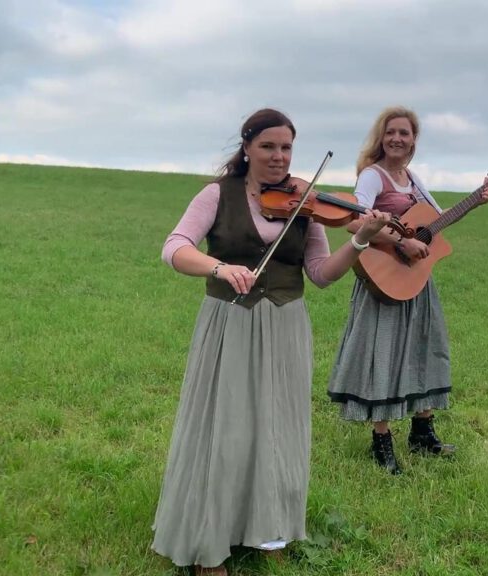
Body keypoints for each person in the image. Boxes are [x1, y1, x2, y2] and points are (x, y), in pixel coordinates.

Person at [151, 108, 392, 575]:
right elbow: (174, 247)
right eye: (268, 146)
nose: (279, 156)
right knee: (225, 428)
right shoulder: (216, 195)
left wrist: (360, 240)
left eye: (286, 148)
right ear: (247, 148)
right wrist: (219, 267)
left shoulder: (305, 200)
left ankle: (268, 528)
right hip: (230, 323)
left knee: (278, 428)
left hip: (285, 325)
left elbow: (320, 274)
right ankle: (209, 543)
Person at [326, 106, 488, 474]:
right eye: (391, 132)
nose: (397, 139)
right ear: (381, 137)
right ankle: (381, 442)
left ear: (414, 139)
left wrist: (476, 199)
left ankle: (422, 433)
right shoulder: (373, 176)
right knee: (383, 354)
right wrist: (400, 244)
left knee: (424, 350)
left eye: (405, 133)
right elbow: (355, 218)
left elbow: (435, 219)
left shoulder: (412, 178)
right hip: (384, 278)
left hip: (417, 282)